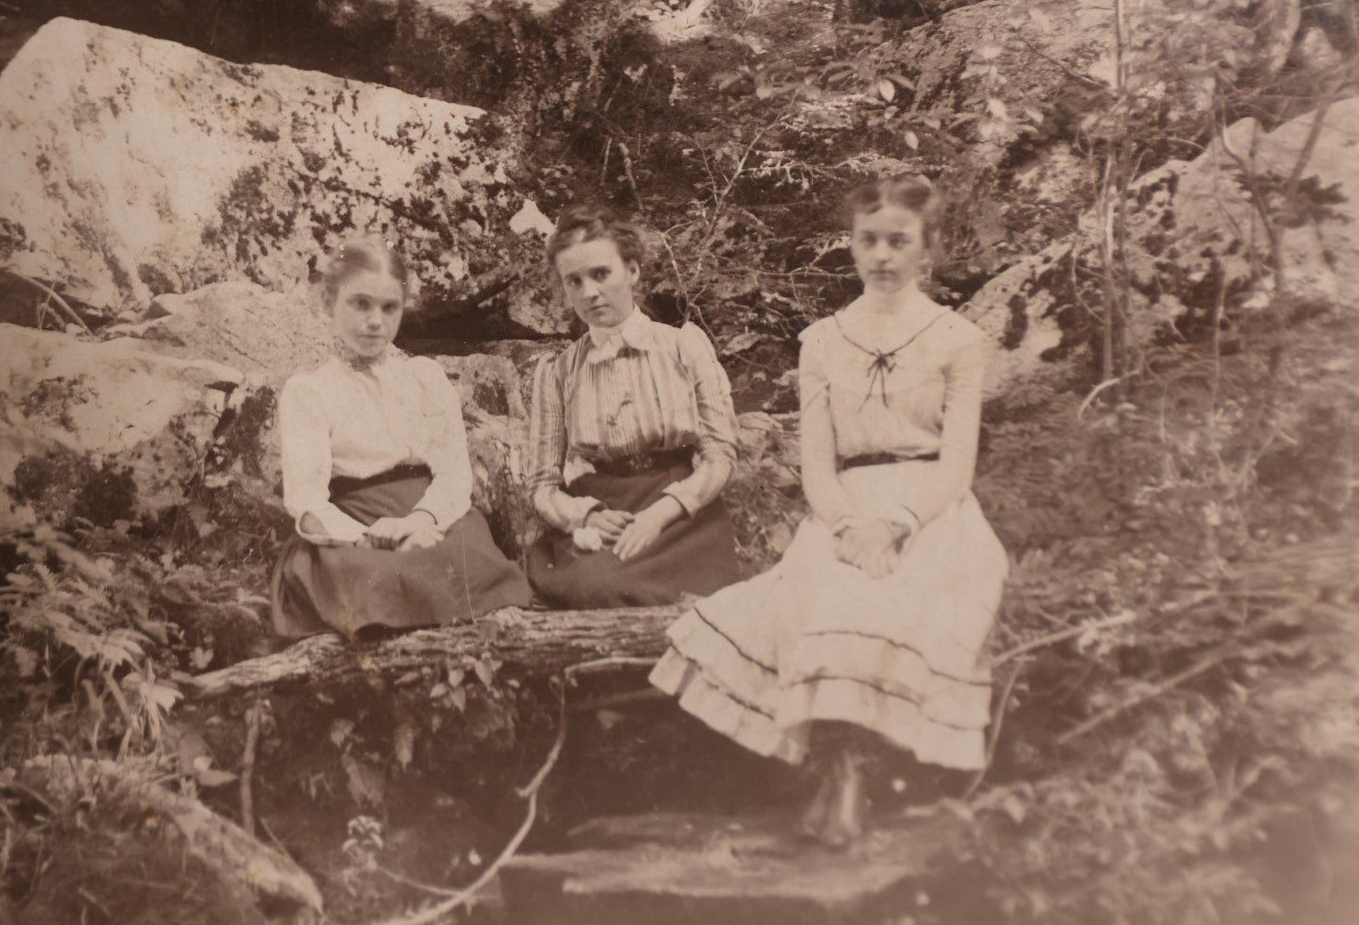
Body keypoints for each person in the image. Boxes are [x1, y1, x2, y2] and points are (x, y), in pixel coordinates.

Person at [648, 175, 1008, 846]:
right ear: (850, 243)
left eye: (897, 241)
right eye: (867, 240)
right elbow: (817, 465)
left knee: (896, 604)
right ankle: (834, 772)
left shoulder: (958, 340)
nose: (880, 255)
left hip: (931, 512)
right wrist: (845, 526)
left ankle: (856, 778)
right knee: (818, 600)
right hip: (843, 508)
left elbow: (956, 469)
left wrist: (896, 524)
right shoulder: (822, 340)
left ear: (926, 247)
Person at [271, 238, 531, 642]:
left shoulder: (424, 377)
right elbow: (305, 499)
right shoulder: (309, 391)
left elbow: (452, 472)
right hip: (354, 523)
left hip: (429, 514)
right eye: (360, 303)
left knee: (466, 548)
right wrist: (370, 535)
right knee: (351, 574)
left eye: (389, 307)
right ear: (328, 303)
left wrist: (418, 522)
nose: (376, 321)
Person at [524, 205, 741, 608]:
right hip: (603, 508)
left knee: (666, 595)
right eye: (574, 281)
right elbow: (539, 484)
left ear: (633, 271)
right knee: (594, 586)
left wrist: (663, 513)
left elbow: (721, 454)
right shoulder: (558, 371)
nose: (589, 292)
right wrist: (583, 516)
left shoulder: (683, 346)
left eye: (601, 274)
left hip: (679, 510)